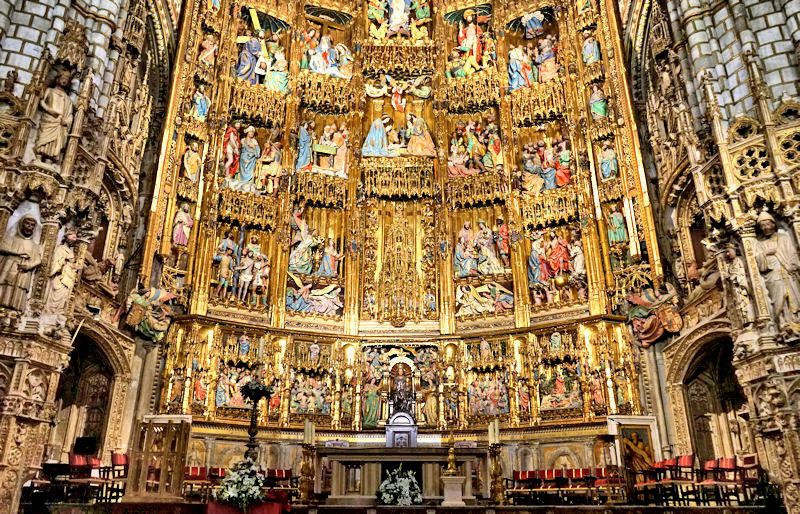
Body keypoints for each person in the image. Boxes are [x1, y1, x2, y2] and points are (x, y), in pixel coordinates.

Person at [753, 210, 800, 326]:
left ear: (773, 224)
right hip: (773, 275)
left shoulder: (783, 237)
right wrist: (765, 254)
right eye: (762, 226)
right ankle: (784, 321)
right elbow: (758, 262)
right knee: (779, 298)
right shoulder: (760, 243)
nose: (765, 227)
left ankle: (797, 318)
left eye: (767, 224)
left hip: (788, 272)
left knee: (794, 295)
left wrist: (792, 266)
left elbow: (792, 253)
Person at [0, 215, 42, 313]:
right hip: (9, 267)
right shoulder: (11, 239)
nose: (29, 227)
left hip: (23, 272)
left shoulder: (34, 245)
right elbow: (2, 247)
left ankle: (14, 313)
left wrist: (29, 266)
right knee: (4, 288)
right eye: (27, 223)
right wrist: (17, 253)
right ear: (21, 224)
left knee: (18, 290)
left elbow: (38, 260)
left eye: (32, 225)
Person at [35, 71, 74, 162]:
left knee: (54, 141)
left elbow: (69, 114)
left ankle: (49, 157)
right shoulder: (50, 90)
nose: (64, 81)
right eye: (63, 79)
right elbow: (41, 101)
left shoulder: (67, 98)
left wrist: (66, 121)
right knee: (43, 137)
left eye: (67, 80)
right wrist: (49, 110)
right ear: (57, 79)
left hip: (59, 122)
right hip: (49, 119)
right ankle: (39, 156)